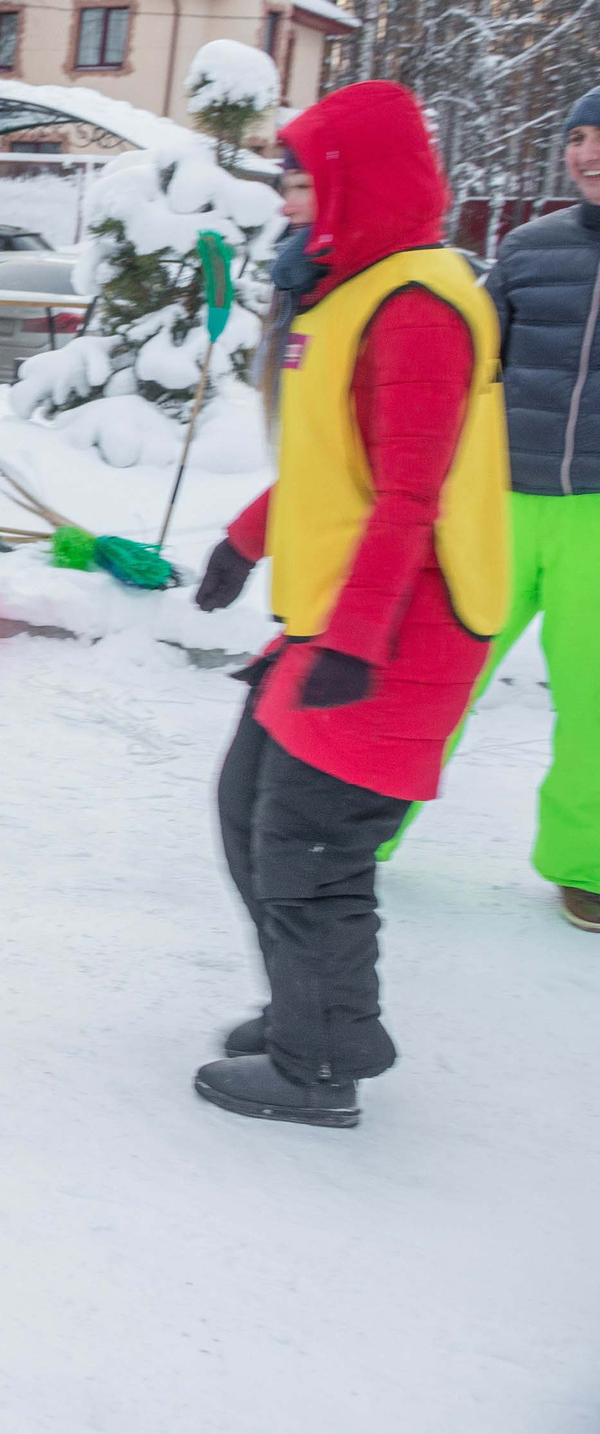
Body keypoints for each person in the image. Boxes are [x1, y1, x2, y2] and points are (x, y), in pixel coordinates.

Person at [191, 81, 512, 1128]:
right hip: (337, 619)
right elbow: (341, 464)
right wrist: (246, 542)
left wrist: (359, 642)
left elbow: (411, 495)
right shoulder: (356, 288)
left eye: (298, 180)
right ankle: (310, 1011)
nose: (284, 200)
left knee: (309, 845)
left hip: (400, 628)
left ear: (348, 184)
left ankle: (318, 1065)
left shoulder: (416, 304)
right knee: (250, 808)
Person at [460, 84, 600, 933]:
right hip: (502, 504)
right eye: (578, 138)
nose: (586, 153)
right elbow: (466, 356)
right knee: (442, 672)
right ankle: (363, 832)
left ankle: (585, 862)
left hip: (597, 517)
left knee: (595, 703)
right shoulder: (526, 248)